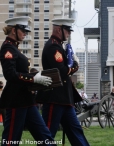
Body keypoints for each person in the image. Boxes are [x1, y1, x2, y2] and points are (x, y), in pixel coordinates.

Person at [0, 16, 55, 146]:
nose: (25, 34)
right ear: (13, 30)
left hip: (27, 100)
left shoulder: (14, 48)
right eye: (23, 30)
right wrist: (33, 78)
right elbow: (10, 75)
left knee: (45, 137)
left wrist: (35, 78)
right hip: (16, 100)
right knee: (11, 141)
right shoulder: (8, 48)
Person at [36, 18, 89, 146]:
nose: (69, 33)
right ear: (59, 29)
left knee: (76, 132)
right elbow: (62, 71)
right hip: (55, 98)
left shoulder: (58, 46)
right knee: (47, 134)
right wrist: (75, 65)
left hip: (64, 99)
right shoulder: (53, 47)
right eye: (67, 30)